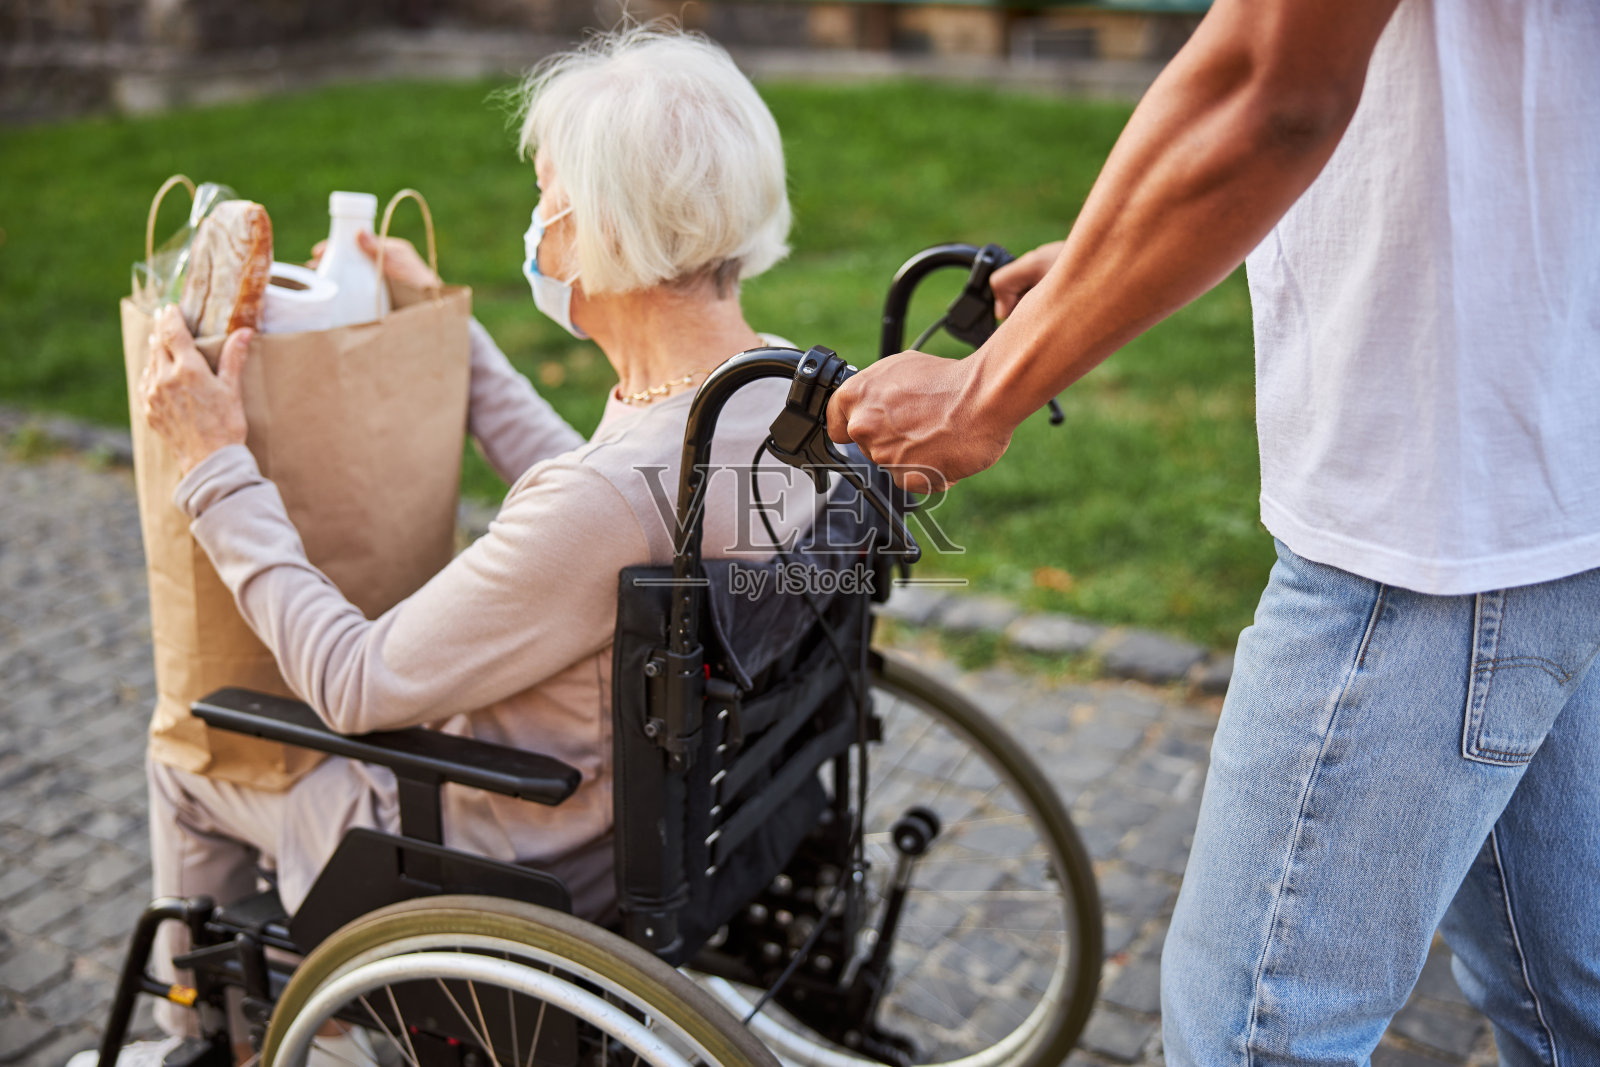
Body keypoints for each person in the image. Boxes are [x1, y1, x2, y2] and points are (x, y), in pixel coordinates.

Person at [828, 0, 1600, 1063]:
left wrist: (984, 391)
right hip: (1545, 485)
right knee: (1564, 994)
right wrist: (1113, 255)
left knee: (1247, 1036)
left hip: (1427, 525)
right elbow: (1323, 82)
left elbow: (1271, 92)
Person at [91, 25, 811, 1067]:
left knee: (188, 762)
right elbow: (603, 506)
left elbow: (354, 680)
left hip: (497, 849)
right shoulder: (773, 394)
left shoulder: (605, 499)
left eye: (546, 195)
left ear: (597, 227)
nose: (534, 222)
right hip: (690, 810)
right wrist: (453, 336)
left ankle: (204, 1038)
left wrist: (212, 462)